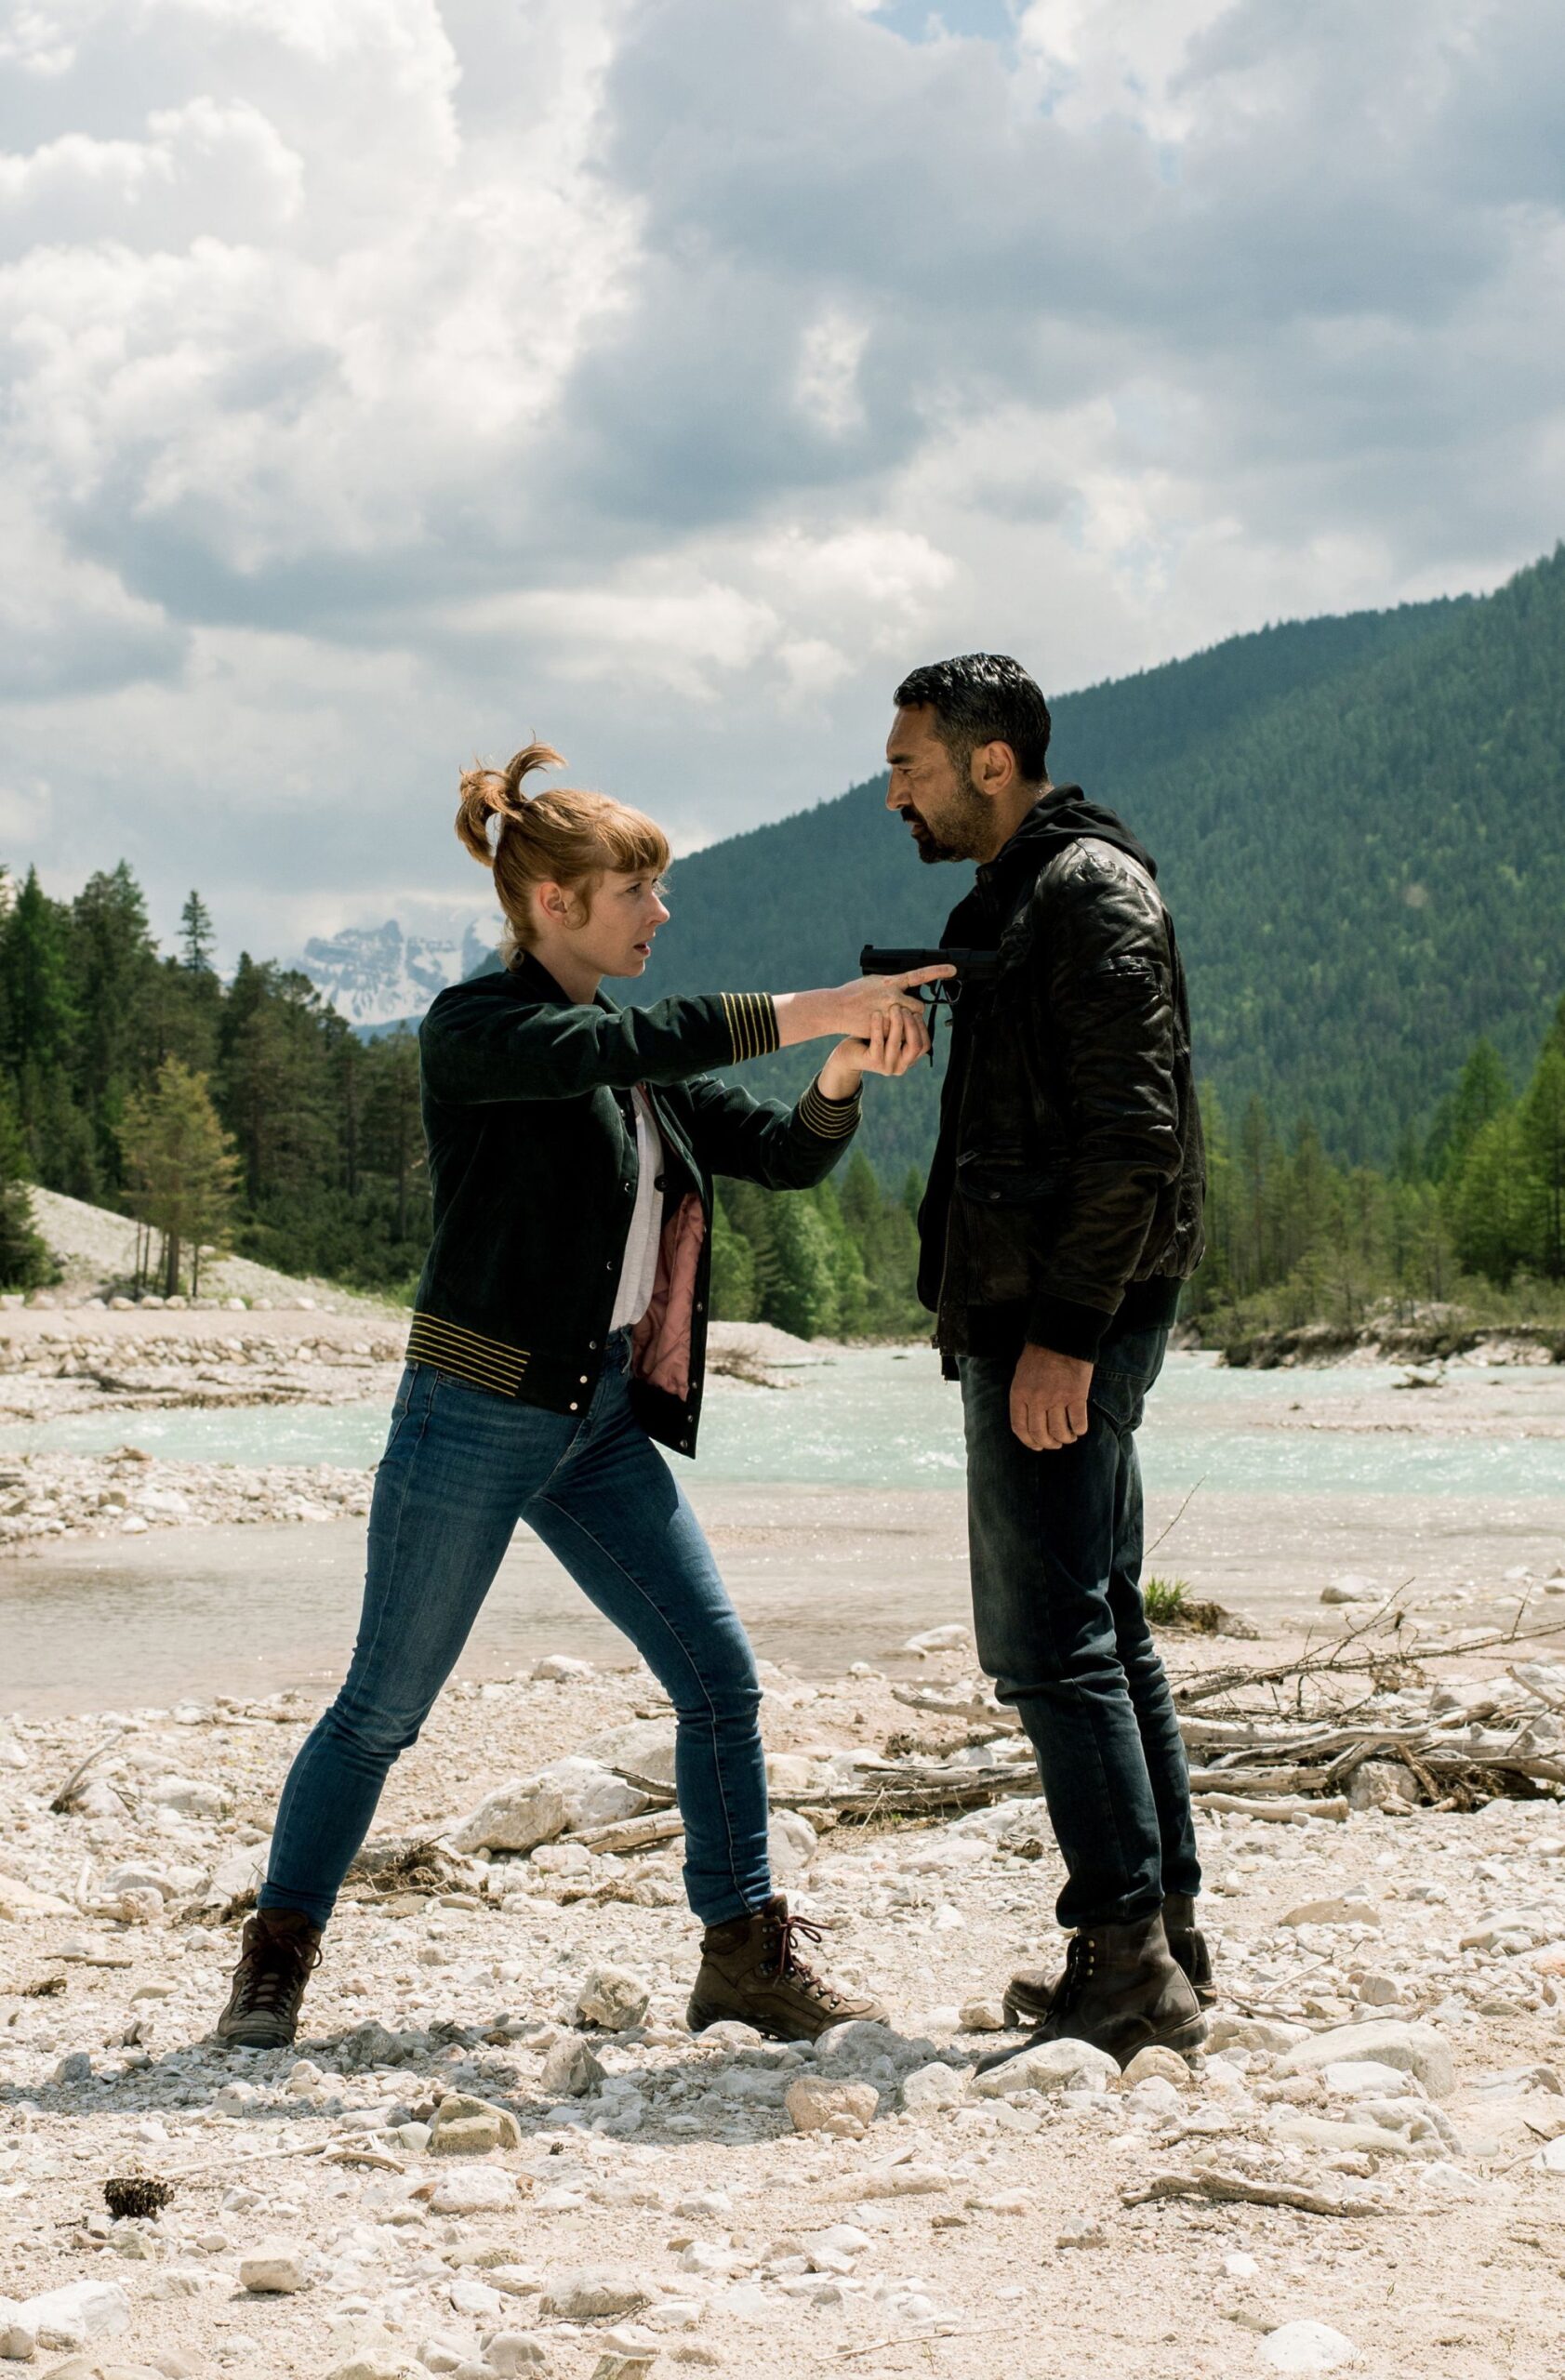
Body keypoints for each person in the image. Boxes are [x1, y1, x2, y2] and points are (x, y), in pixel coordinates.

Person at [215, 743, 948, 2053]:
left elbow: (782, 1153)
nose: (663, 911)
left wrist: (842, 1067)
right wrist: (818, 1005)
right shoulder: (479, 1031)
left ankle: (743, 1958)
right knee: (382, 1711)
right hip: (473, 1412)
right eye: (637, 893)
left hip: (598, 1421)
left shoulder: (632, 1065)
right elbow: (622, 1042)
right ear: (554, 903)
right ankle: (275, 1960)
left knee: (719, 1683)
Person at [883, 655, 1211, 2069]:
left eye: (910, 765)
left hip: (1060, 1313)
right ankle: (1162, 1942)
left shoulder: (1086, 892)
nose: (893, 792)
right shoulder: (1027, 894)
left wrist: (1064, 1335)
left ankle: (1129, 1963)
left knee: (1046, 1641)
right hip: (1044, 1304)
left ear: (992, 761)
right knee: (1103, 1623)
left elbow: (1135, 1135)